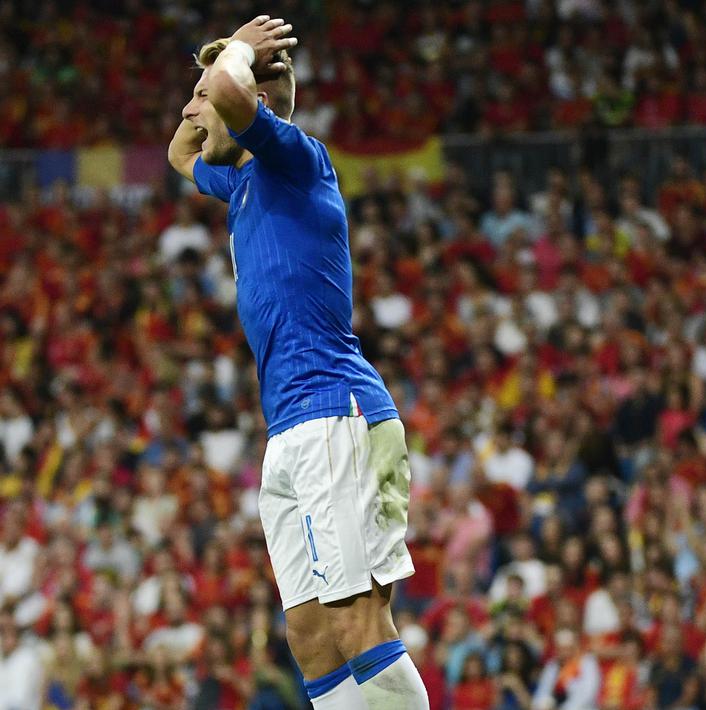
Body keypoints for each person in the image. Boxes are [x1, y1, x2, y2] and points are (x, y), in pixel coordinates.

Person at [166, 15, 428, 710]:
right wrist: (217, 82)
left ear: (255, 98)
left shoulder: (294, 158)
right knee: (309, 634)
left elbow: (226, 95)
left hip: (335, 413)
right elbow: (176, 154)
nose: (192, 111)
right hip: (289, 428)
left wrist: (239, 58)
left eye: (199, 97)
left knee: (354, 618)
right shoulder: (242, 182)